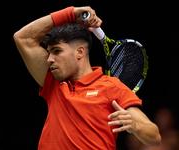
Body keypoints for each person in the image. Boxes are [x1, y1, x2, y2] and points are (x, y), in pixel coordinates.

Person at [13, 6, 161, 150]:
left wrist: (135, 126)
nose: (49, 59)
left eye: (57, 51)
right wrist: (71, 13)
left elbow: (155, 137)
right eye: (49, 52)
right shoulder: (54, 83)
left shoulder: (111, 87)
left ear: (80, 52)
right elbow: (23, 38)